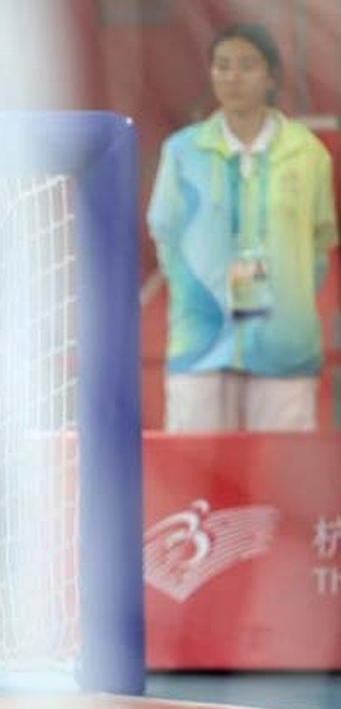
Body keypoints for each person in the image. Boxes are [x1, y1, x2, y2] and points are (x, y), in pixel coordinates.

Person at [147, 22, 338, 432]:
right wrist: (199, 289)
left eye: (247, 66)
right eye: (222, 65)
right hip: (201, 340)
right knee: (196, 463)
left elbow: (320, 241)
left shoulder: (307, 153)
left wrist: (289, 295)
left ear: (271, 77)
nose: (232, 77)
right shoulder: (183, 152)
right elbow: (165, 233)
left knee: (282, 462)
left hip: (284, 345)